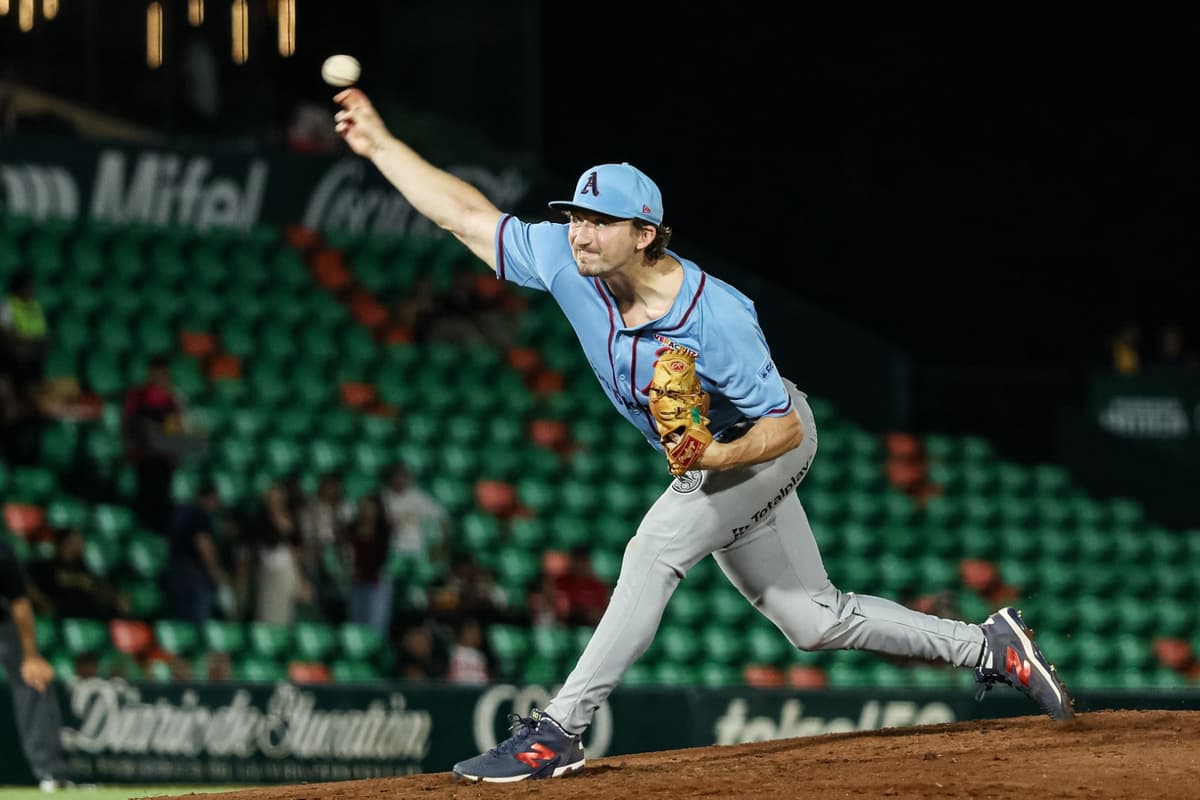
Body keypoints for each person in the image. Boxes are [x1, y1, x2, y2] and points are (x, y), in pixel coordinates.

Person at [332, 88, 1076, 783]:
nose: (578, 232)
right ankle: (989, 645)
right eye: (576, 217)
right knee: (813, 621)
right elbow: (464, 215)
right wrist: (381, 145)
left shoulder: (716, 316)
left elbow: (783, 427)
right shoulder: (568, 259)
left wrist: (715, 458)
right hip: (718, 456)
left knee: (653, 549)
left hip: (764, 436)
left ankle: (557, 730)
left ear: (644, 233)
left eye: (598, 221)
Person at [0, 536, 70, 792]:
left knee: (34, 679)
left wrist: (31, 656)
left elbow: (19, 603)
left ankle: (51, 773)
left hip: (3, 625)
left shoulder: (1, 550)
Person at [164, 480, 231, 623]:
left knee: (180, 620)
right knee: (196, 622)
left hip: (175, 570)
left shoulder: (180, 512)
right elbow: (203, 544)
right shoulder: (200, 514)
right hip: (193, 573)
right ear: (210, 497)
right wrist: (216, 573)